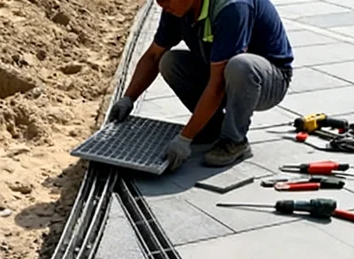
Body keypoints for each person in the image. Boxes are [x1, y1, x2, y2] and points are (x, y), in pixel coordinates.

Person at [109, 0, 293, 169]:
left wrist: (185, 138)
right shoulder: (176, 8)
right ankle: (211, 128)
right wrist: (128, 98)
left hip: (267, 81)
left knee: (239, 66)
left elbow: (218, 84)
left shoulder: (232, 8)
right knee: (169, 62)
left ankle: (234, 141)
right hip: (222, 73)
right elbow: (153, 56)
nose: (162, 5)